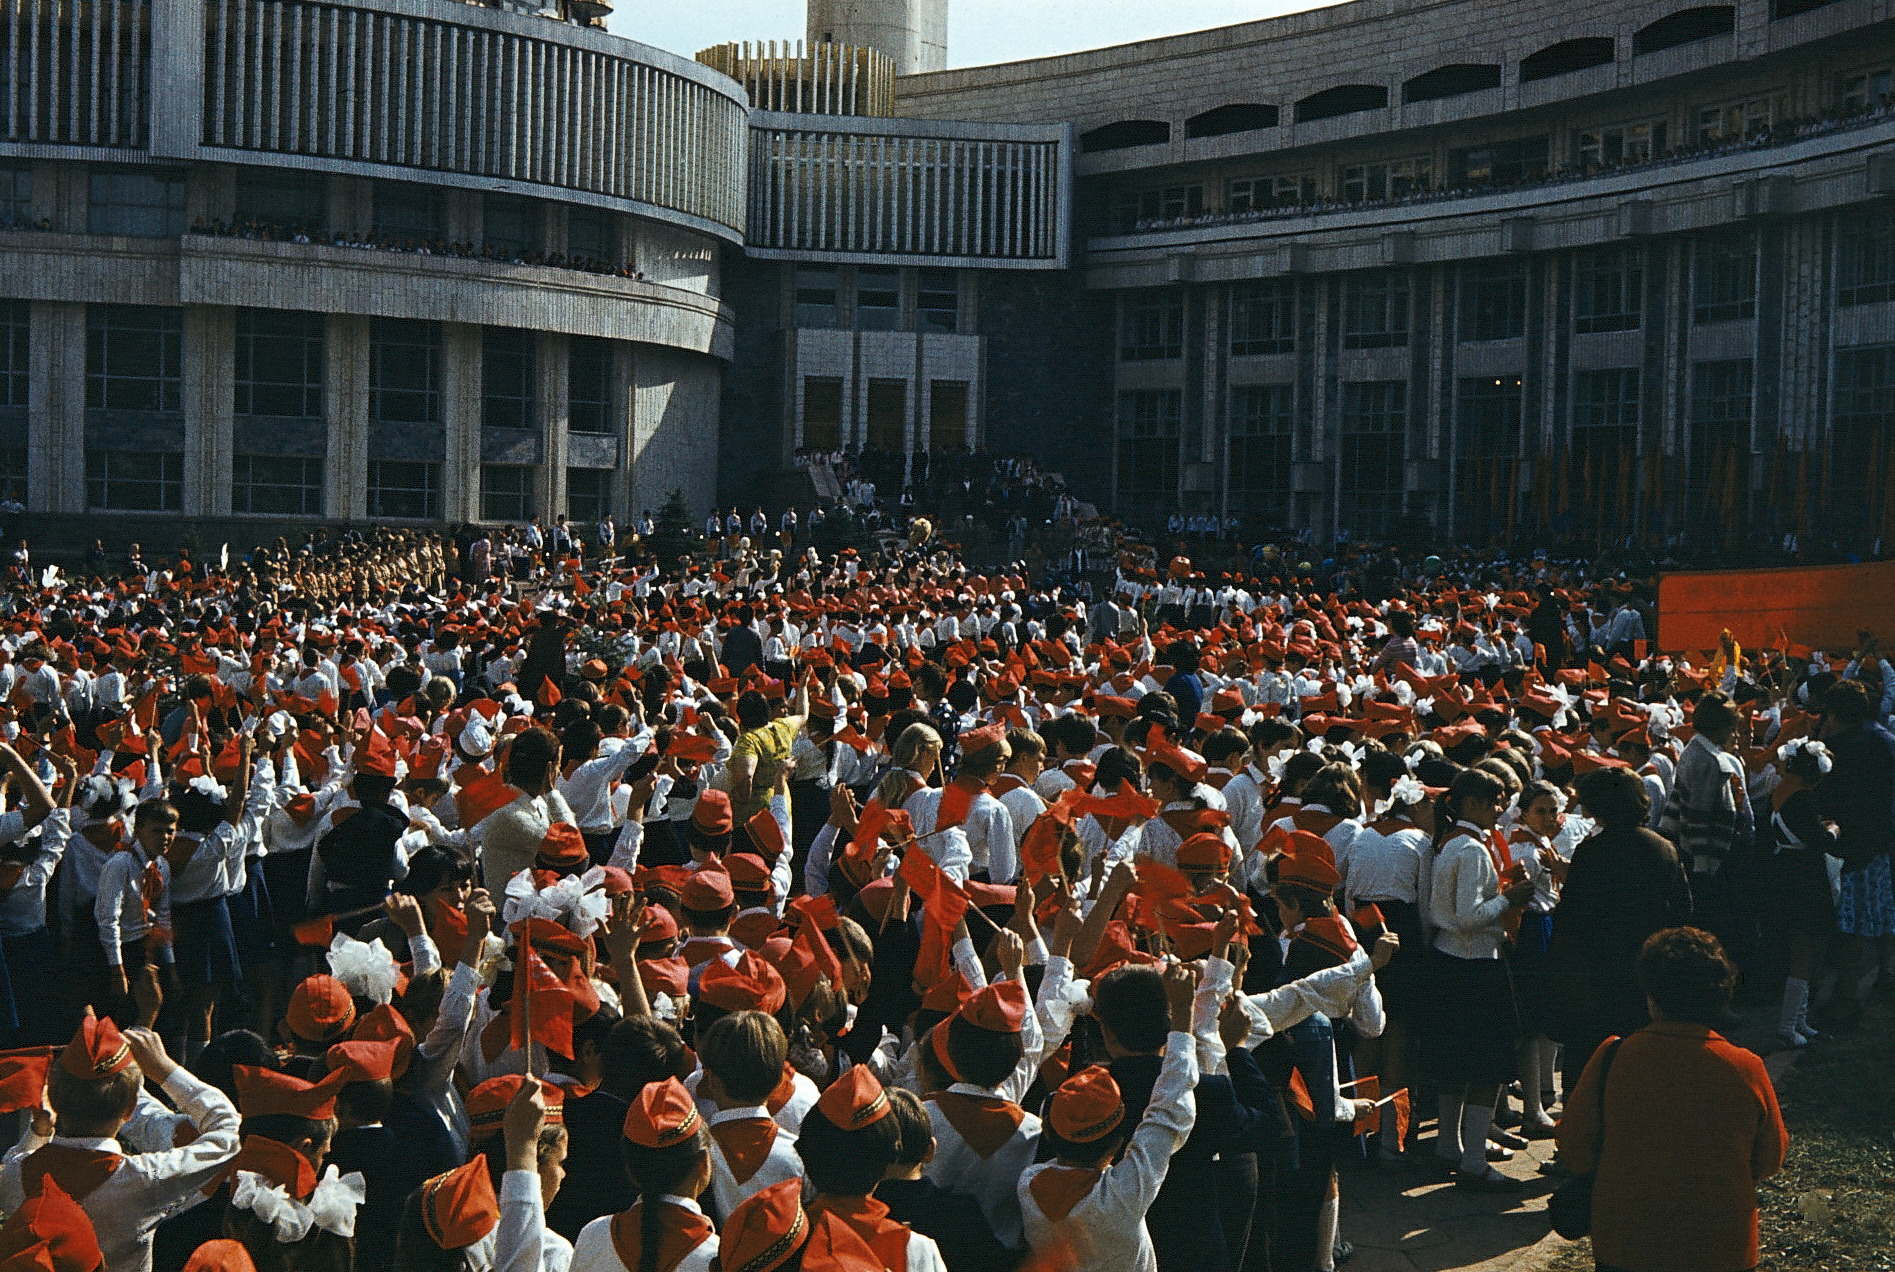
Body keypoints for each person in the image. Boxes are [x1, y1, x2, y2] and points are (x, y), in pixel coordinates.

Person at [1555, 927, 1787, 1272]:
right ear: (1722, 997)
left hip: (1628, 1246)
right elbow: (1769, 1159)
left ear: (1651, 996)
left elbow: (1573, 1148)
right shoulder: (1746, 1068)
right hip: (1722, 1248)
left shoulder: (1613, 1057)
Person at [1548, 767, 1695, 1093]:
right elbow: (1683, 911)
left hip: (1598, 970)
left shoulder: (1591, 853)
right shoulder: (1663, 848)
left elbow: (1571, 919)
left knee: (1593, 1060)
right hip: (1648, 967)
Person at [1816, 679, 1895, 1029]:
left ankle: (1846, 998)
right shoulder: (1884, 740)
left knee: (1851, 925)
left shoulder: (1835, 748)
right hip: (1879, 840)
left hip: (1848, 844)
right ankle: (1887, 973)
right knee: (1879, 912)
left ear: (1833, 713)